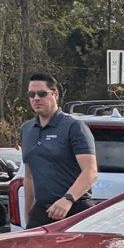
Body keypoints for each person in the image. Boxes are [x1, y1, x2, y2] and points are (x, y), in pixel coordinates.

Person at [19, 72, 98, 228]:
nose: (36, 98)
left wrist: (67, 199)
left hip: (75, 210)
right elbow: (29, 176)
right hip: (42, 213)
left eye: (42, 94)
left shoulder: (74, 127)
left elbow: (90, 172)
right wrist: (28, 214)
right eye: (31, 94)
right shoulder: (26, 129)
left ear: (55, 94)